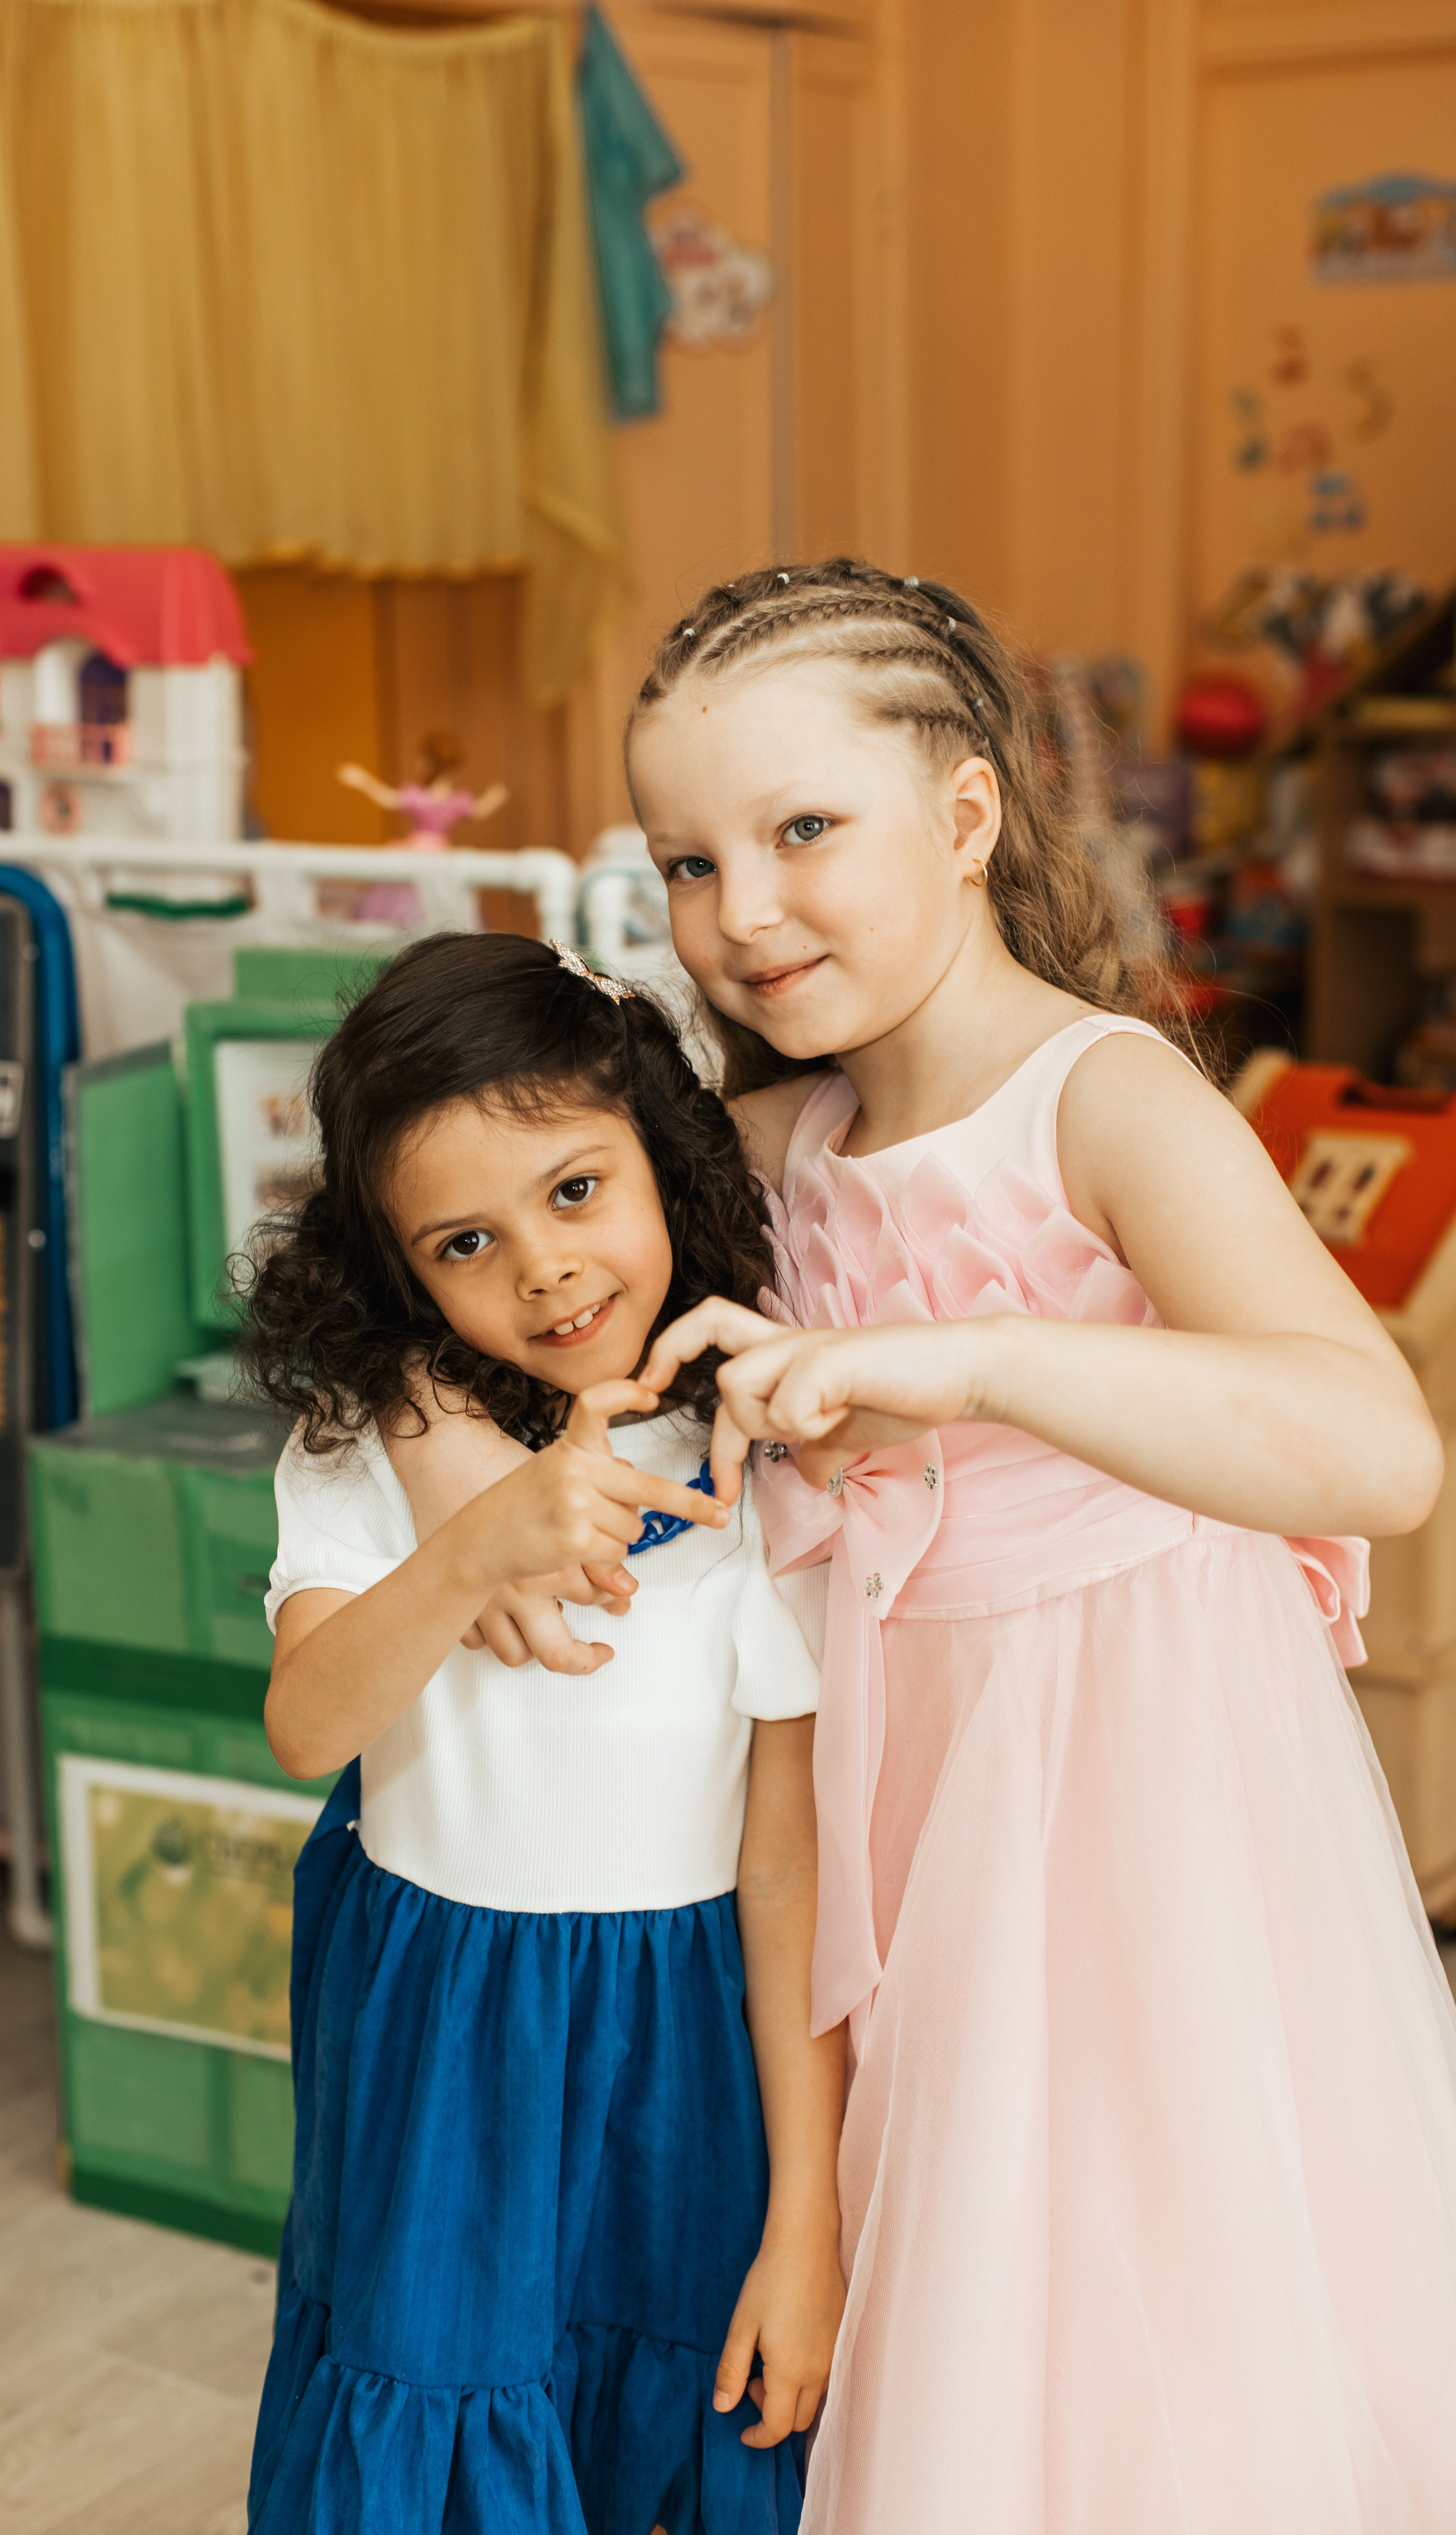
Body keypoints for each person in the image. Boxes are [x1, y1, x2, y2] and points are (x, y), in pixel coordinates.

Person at [617, 558, 1456, 2530]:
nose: (740, 911)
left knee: (1152, 2318)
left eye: (802, 830)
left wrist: (982, 1356)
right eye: (686, 863)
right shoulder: (773, 1148)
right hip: (889, 1798)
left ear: (966, 812)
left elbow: (1377, 1449)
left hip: (1126, 1816)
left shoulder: (1104, 1096)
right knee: (968, 2336)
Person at [238, 930, 845, 2535]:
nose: (544, 1269)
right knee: (434, 2400)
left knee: (678, 2410)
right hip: (442, 2024)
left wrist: (806, 2214)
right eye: (466, 1240)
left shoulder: (753, 1453)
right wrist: (468, 1550)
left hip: (690, 2039)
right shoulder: (368, 1443)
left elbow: (786, 1869)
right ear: (402, 1274)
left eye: (576, 1190)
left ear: (662, 1161)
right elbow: (305, 1722)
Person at [338, 730, 508, 926]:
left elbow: (389, 799)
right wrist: (493, 798)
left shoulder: (423, 796)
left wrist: (363, 780)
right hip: (438, 854)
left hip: (420, 852)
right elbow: (479, 809)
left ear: (428, 763)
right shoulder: (452, 799)